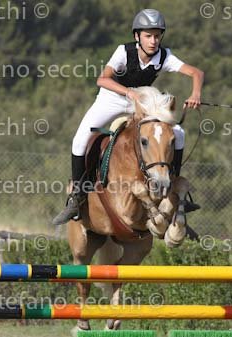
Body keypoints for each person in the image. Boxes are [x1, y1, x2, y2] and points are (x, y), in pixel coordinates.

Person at [52, 8, 204, 225]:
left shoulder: (164, 56)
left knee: (177, 132)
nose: (153, 41)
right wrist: (128, 92)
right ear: (137, 36)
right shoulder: (124, 52)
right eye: (148, 36)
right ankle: (76, 197)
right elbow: (102, 79)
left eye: (157, 36)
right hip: (112, 98)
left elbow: (196, 73)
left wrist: (195, 94)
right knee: (79, 139)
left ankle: (171, 186)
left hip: (140, 102)